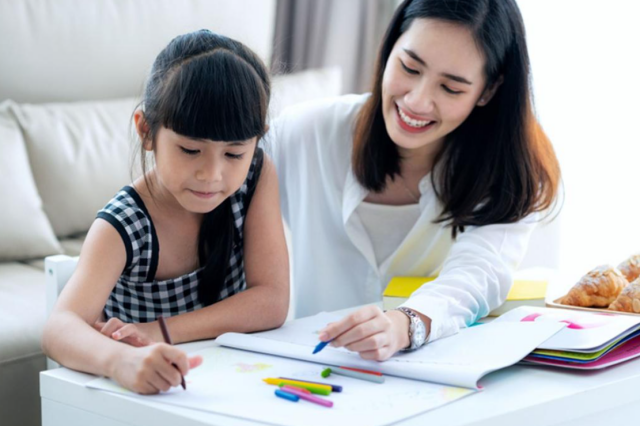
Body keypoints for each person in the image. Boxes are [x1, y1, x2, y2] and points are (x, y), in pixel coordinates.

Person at [269, 0, 560, 361]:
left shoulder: (507, 174)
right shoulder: (305, 134)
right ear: (389, 46)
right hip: (307, 373)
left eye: (451, 88)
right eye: (409, 67)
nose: (418, 101)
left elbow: (478, 275)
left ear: (487, 91)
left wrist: (405, 324)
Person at [42, 30, 290, 394]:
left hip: (231, 385)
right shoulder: (124, 224)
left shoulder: (256, 175)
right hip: (149, 397)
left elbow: (271, 300)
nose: (212, 174)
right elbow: (58, 328)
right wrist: (120, 359)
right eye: (190, 150)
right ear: (146, 131)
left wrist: (160, 330)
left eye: (234, 153)